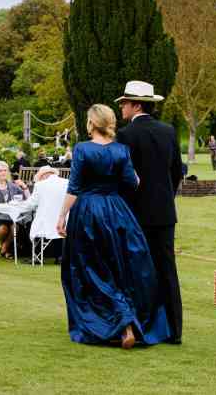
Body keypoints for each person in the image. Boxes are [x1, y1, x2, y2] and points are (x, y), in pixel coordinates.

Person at [56, 103, 170, 349]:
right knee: (120, 268)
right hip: (117, 212)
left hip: (87, 213)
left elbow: (73, 188)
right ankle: (128, 321)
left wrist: (61, 215)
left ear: (90, 123)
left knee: (90, 269)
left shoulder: (82, 149)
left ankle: (117, 323)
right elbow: (133, 182)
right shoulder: (121, 150)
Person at [115, 80, 184, 345]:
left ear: (137, 104)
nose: (121, 107)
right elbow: (176, 172)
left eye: (124, 103)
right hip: (165, 212)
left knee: (139, 271)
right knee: (167, 270)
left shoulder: (126, 136)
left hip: (136, 213)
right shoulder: (168, 131)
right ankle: (174, 331)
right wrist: (165, 197)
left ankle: (145, 328)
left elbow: (124, 177)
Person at [0, 160, 30, 259]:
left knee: (15, 227)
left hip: (9, 217)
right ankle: (6, 249)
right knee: (3, 229)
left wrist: (24, 187)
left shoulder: (12, 186)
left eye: (5, 170)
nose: (3, 173)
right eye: (0, 171)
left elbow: (28, 199)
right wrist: (2, 206)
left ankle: (4, 248)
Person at [21, 166, 68, 263]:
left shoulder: (40, 185)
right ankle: (60, 256)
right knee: (58, 231)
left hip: (46, 224)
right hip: (64, 222)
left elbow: (31, 204)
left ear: (43, 176)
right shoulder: (67, 182)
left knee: (31, 224)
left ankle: (37, 257)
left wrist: (18, 206)